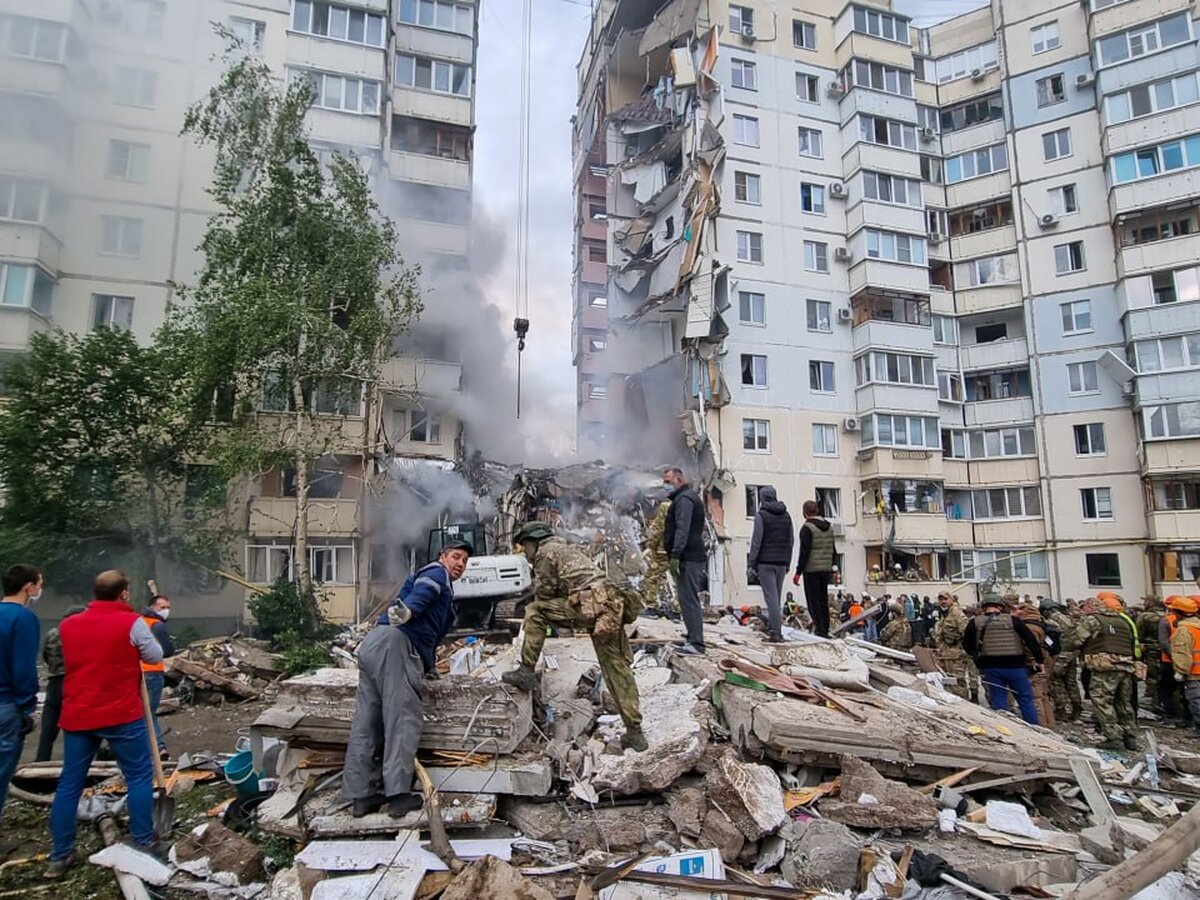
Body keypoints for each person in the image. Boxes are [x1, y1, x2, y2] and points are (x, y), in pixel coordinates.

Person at [342, 541, 471, 818]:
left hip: (374, 643)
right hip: (396, 644)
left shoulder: (442, 587)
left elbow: (430, 633)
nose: (460, 564)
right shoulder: (437, 574)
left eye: (465, 561)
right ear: (443, 557)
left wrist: (429, 665)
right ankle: (398, 796)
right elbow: (424, 592)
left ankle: (362, 796)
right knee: (401, 718)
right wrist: (409, 610)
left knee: (367, 721)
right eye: (456, 557)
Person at [47, 570, 163, 878]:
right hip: (121, 712)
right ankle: (143, 840)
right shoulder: (131, 622)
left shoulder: (68, 625)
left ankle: (60, 854)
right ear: (124, 592)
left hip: (79, 713)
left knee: (70, 783)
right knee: (139, 776)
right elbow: (154, 654)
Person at [502, 523, 645, 751]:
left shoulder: (545, 553)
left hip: (593, 604)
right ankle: (635, 733)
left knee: (535, 611)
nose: (526, 554)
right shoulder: (566, 549)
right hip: (611, 605)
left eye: (525, 547)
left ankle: (526, 671)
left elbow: (545, 594)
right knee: (616, 668)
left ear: (533, 541)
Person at [1064, 595, 1141, 751]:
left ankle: (1114, 737)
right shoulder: (1122, 621)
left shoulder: (1093, 620)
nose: (1082, 611)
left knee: (1102, 701)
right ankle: (1130, 737)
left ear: (1091, 607)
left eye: (1084, 608)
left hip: (1105, 666)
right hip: (1126, 666)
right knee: (1124, 703)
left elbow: (1074, 641)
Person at [0, 565, 42, 816]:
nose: (40, 590)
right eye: (39, 584)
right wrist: (28, 707)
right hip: (6, 706)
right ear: (28, 587)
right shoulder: (23, 618)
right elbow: (23, 668)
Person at [963, 594, 1043, 724]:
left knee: (998, 701)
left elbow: (967, 645)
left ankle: (1005, 728)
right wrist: (1039, 661)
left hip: (991, 667)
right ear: (1000, 607)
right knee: (1025, 700)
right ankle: (1034, 729)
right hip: (1016, 666)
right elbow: (1031, 641)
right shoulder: (1013, 620)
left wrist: (978, 661)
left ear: (983, 608)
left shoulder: (975, 622)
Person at [662, 467, 707, 654]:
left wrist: (675, 554)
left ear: (679, 480)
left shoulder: (685, 500)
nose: (665, 486)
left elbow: (682, 528)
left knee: (689, 599)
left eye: (668, 481)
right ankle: (691, 637)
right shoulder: (683, 498)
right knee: (685, 598)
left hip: (689, 556)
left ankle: (697, 644)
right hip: (687, 556)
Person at [35, 605, 85, 762]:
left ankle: (41, 760)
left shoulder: (52, 633)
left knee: (49, 727)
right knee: (76, 727)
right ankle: (76, 761)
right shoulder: (81, 634)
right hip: (75, 682)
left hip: (55, 681)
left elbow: (45, 656)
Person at [746, 486, 793, 643]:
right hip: (781, 563)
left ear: (762, 498)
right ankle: (774, 627)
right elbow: (790, 541)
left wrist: (751, 562)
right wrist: (787, 562)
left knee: (771, 599)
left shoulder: (761, 516)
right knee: (777, 598)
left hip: (766, 563)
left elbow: (756, 542)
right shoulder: (786, 515)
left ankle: (776, 633)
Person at [140, 594, 177, 760]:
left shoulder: (139, 622)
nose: (166, 611)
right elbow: (168, 650)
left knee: (143, 712)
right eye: (162, 608)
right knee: (149, 713)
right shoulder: (157, 625)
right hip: (153, 672)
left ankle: (150, 748)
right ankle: (159, 747)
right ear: (153, 607)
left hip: (138, 672)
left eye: (168, 608)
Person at [792, 501, 836, 638]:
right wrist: (833, 568)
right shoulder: (829, 527)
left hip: (811, 569)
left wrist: (798, 572)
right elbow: (833, 549)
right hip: (826, 568)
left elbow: (804, 552)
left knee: (813, 601)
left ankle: (820, 629)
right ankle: (825, 629)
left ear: (805, 511)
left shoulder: (807, 528)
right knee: (823, 600)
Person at [1014, 604, 1056, 728]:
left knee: (1035, 695)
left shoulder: (1030, 627)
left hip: (1035, 663)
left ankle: (1041, 726)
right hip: (1045, 661)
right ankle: (1050, 724)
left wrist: (1031, 664)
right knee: (1043, 695)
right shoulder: (1040, 623)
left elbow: (1031, 647)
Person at [1042, 597, 1083, 722]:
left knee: (1057, 683)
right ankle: (1077, 709)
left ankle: (1061, 710)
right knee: (1072, 683)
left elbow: (1049, 638)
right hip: (1072, 654)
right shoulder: (1070, 618)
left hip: (1059, 655)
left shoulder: (1051, 621)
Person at [1160, 596, 1194, 724]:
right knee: (1186, 691)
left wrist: (1175, 658)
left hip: (1169, 662)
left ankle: (1171, 715)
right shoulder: (1195, 623)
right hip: (1189, 663)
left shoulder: (1166, 621)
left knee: (1167, 690)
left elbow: (1163, 642)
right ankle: (1187, 716)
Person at [1168, 597, 1200, 732]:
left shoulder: (1184, 630)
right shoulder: (1197, 626)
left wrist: (1181, 671)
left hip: (1194, 673)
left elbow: (1182, 652)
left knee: (1196, 700)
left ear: (1178, 612)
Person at [934, 592, 971, 699]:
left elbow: (966, 632)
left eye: (945, 599)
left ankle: (965, 706)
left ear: (951, 600)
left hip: (956, 656)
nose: (943, 602)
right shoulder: (944, 614)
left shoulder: (957, 613)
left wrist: (963, 650)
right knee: (946, 682)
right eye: (941, 600)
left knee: (958, 683)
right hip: (944, 654)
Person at [640, 500, 672, 612]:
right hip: (680, 550)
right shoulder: (688, 506)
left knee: (651, 577)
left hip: (663, 551)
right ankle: (678, 609)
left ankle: (652, 606)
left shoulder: (665, 506)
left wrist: (650, 546)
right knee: (680, 580)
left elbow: (659, 528)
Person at [1136, 596, 1165, 714]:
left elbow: (1138, 634)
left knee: (1152, 676)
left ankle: (1153, 700)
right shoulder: (1168, 615)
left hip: (1150, 649)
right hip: (1166, 650)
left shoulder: (1145, 616)